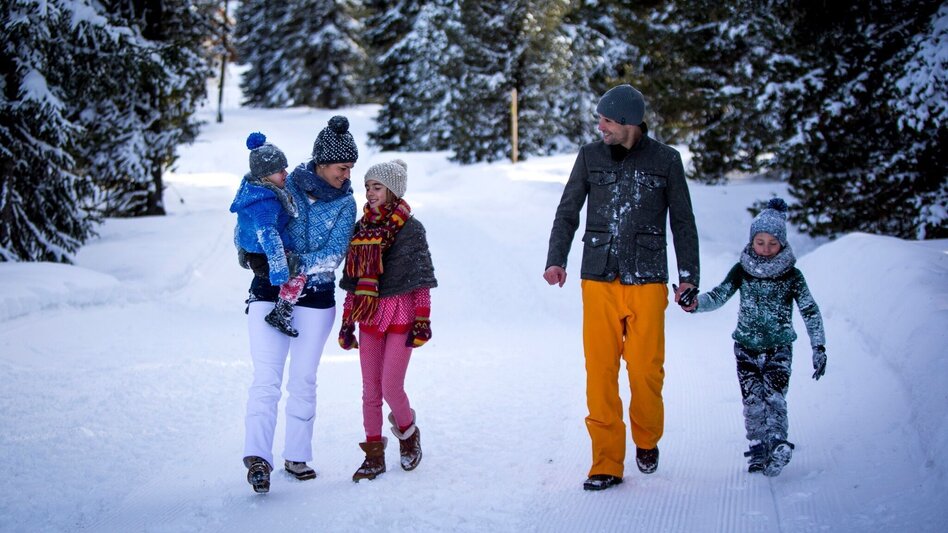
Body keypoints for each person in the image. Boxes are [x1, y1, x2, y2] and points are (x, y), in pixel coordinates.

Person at [543, 84, 699, 491]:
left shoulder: (666, 160)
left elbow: (682, 221)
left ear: (629, 122)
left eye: (607, 121)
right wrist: (556, 258)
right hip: (598, 276)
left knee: (646, 370)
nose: (601, 127)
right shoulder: (590, 157)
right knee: (600, 373)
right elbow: (567, 210)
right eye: (600, 120)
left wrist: (689, 276)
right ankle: (606, 462)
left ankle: (647, 439)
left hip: (647, 278)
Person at [238, 116, 359, 493]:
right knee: (266, 379)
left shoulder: (346, 202)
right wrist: (247, 254)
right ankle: (257, 458)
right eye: (342, 167)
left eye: (351, 168)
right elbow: (251, 222)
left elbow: (335, 253)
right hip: (268, 292)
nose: (346, 174)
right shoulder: (283, 182)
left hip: (316, 297)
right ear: (322, 162)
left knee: (303, 379)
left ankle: (296, 455)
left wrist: (295, 265)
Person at [682, 197, 826, 477]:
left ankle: (778, 444)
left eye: (773, 243)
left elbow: (810, 309)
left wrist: (818, 345)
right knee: (752, 401)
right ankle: (759, 448)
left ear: (782, 244)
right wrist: (695, 303)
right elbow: (720, 295)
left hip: (779, 348)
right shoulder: (742, 271)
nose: (766, 249)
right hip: (745, 348)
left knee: (774, 398)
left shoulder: (792, 276)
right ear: (752, 241)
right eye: (761, 242)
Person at [337, 159, 437, 482]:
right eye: (367, 187)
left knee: (391, 386)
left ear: (393, 190)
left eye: (376, 187)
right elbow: (353, 281)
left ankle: (408, 433)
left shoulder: (411, 230)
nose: (370, 193)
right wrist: (346, 322)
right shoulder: (361, 228)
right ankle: (373, 455)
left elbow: (421, 280)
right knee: (370, 390)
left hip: (401, 316)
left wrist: (423, 320)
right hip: (369, 316)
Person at [231, 132, 307, 338]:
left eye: (285, 168)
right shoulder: (265, 204)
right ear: (265, 176)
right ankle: (281, 313)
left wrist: (241, 247)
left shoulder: (252, 189)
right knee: (298, 272)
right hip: (264, 254)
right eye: (279, 171)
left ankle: (256, 299)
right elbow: (268, 235)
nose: (285, 174)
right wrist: (281, 269)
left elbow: (240, 225)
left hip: (254, 251)